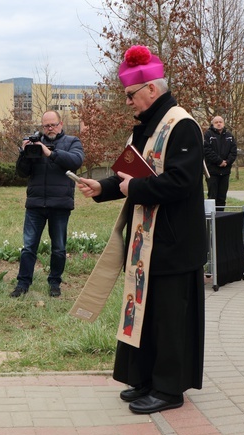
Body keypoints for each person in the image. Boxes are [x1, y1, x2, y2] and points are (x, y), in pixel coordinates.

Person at [72, 46, 207, 414]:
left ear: (151, 88)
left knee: (169, 319)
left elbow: (181, 182)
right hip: (147, 241)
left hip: (174, 242)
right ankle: (146, 379)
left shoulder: (182, 125)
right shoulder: (146, 129)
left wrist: (134, 188)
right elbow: (130, 175)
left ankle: (169, 390)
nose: (128, 101)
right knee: (145, 315)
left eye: (131, 95)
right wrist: (103, 187)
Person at [10, 110, 85, 298]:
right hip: (35, 204)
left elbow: (76, 161)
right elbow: (22, 172)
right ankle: (23, 284)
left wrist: (49, 153)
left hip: (60, 204)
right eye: (46, 126)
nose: (50, 129)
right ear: (42, 127)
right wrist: (24, 153)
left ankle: (54, 283)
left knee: (58, 247)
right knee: (28, 247)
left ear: (61, 124)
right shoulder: (35, 143)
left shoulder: (72, 142)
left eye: (53, 125)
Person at [204, 116, 237, 209]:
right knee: (212, 197)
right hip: (212, 172)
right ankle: (212, 221)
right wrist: (219, 161)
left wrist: (227, 162)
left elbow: (233, 152)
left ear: (223, 123)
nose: (218, 124)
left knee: (222, 197)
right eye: (216, 122)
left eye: (220, 122)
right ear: (213, 124)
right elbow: (207, 151)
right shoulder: (208, 135)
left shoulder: (229, 136)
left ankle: (220, 218)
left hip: (225, 172)